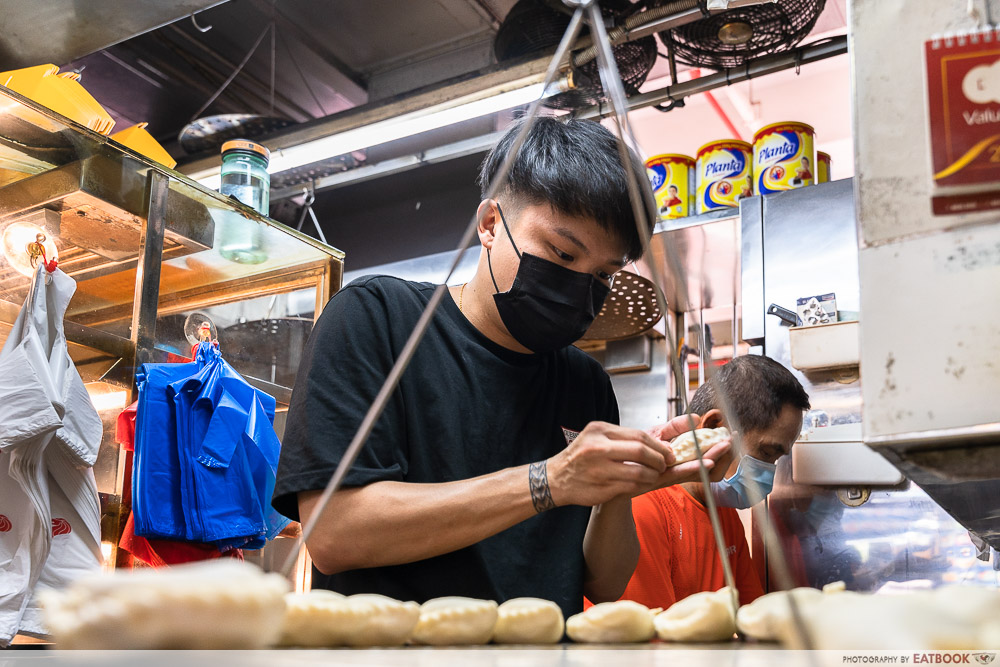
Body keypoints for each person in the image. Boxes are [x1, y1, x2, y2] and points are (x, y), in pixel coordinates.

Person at [272, 117, 732, 618]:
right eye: (562, 252)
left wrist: (622, 488)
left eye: (603, 273)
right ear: (490, 224)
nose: (580, 285)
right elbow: (335, 535)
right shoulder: (376, 319)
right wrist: (549, 481)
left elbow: (605, 582)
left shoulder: (585, 384)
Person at [618, 355, 810, 609]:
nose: (768, 473)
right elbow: (649, 640)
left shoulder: (722, 510)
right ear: (714, 426)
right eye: (765, 453)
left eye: (775, 459)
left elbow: (750, 616)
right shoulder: (642, 508)